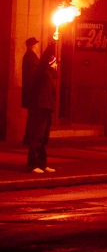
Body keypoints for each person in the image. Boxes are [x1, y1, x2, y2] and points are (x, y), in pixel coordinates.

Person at [26, 41, 57, 174]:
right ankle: (32, 165)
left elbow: (46, 66)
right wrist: (51, 45)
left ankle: (42, 164)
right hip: (40, 106)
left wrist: (51, 67)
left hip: (46, 107)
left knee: (43, 137)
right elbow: (44, 62)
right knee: (37, 136)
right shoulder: (37, 68)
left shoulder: (45, 72)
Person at [21, 36, 40, 145]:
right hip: (31, 91)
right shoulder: (30, 56)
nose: (37, 46)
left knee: (32, 115)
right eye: (36, 44)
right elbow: (39, 66)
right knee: (33, 115)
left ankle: (29, 136)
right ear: (32, 46)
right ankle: (29, 137)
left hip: (30, 91)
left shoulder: (29, 56)